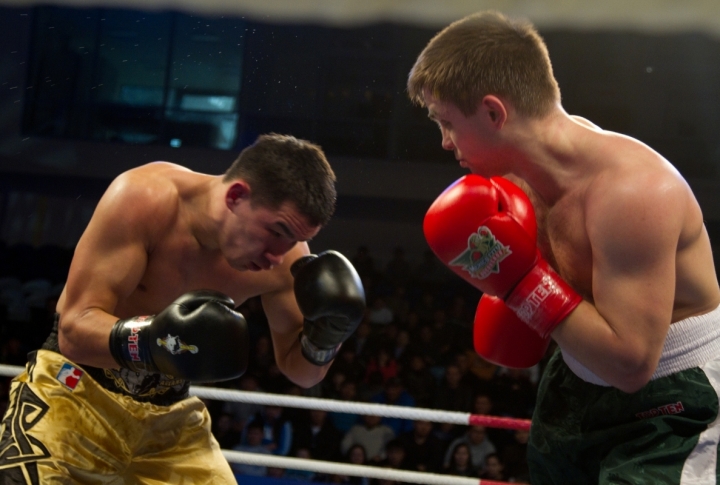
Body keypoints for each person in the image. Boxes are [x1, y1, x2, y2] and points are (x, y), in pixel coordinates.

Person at [408, 10, 720, 484]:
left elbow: (632, 364)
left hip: (672, 396)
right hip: (574, 379)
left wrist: (517, 282)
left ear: (494, 112)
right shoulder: (505, 184)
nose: (445, 142)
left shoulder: (633, 192)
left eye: (447, 122)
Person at [0, 133, 366, 483]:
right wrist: (156, 339)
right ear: (236, 196)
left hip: (168, 420)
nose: (279, 255)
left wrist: (326, 337)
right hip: (74, 391)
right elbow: (73, 333)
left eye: (297, 240)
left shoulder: (287, 261)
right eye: (277, 231)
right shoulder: (145, 199)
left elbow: (303, 374)